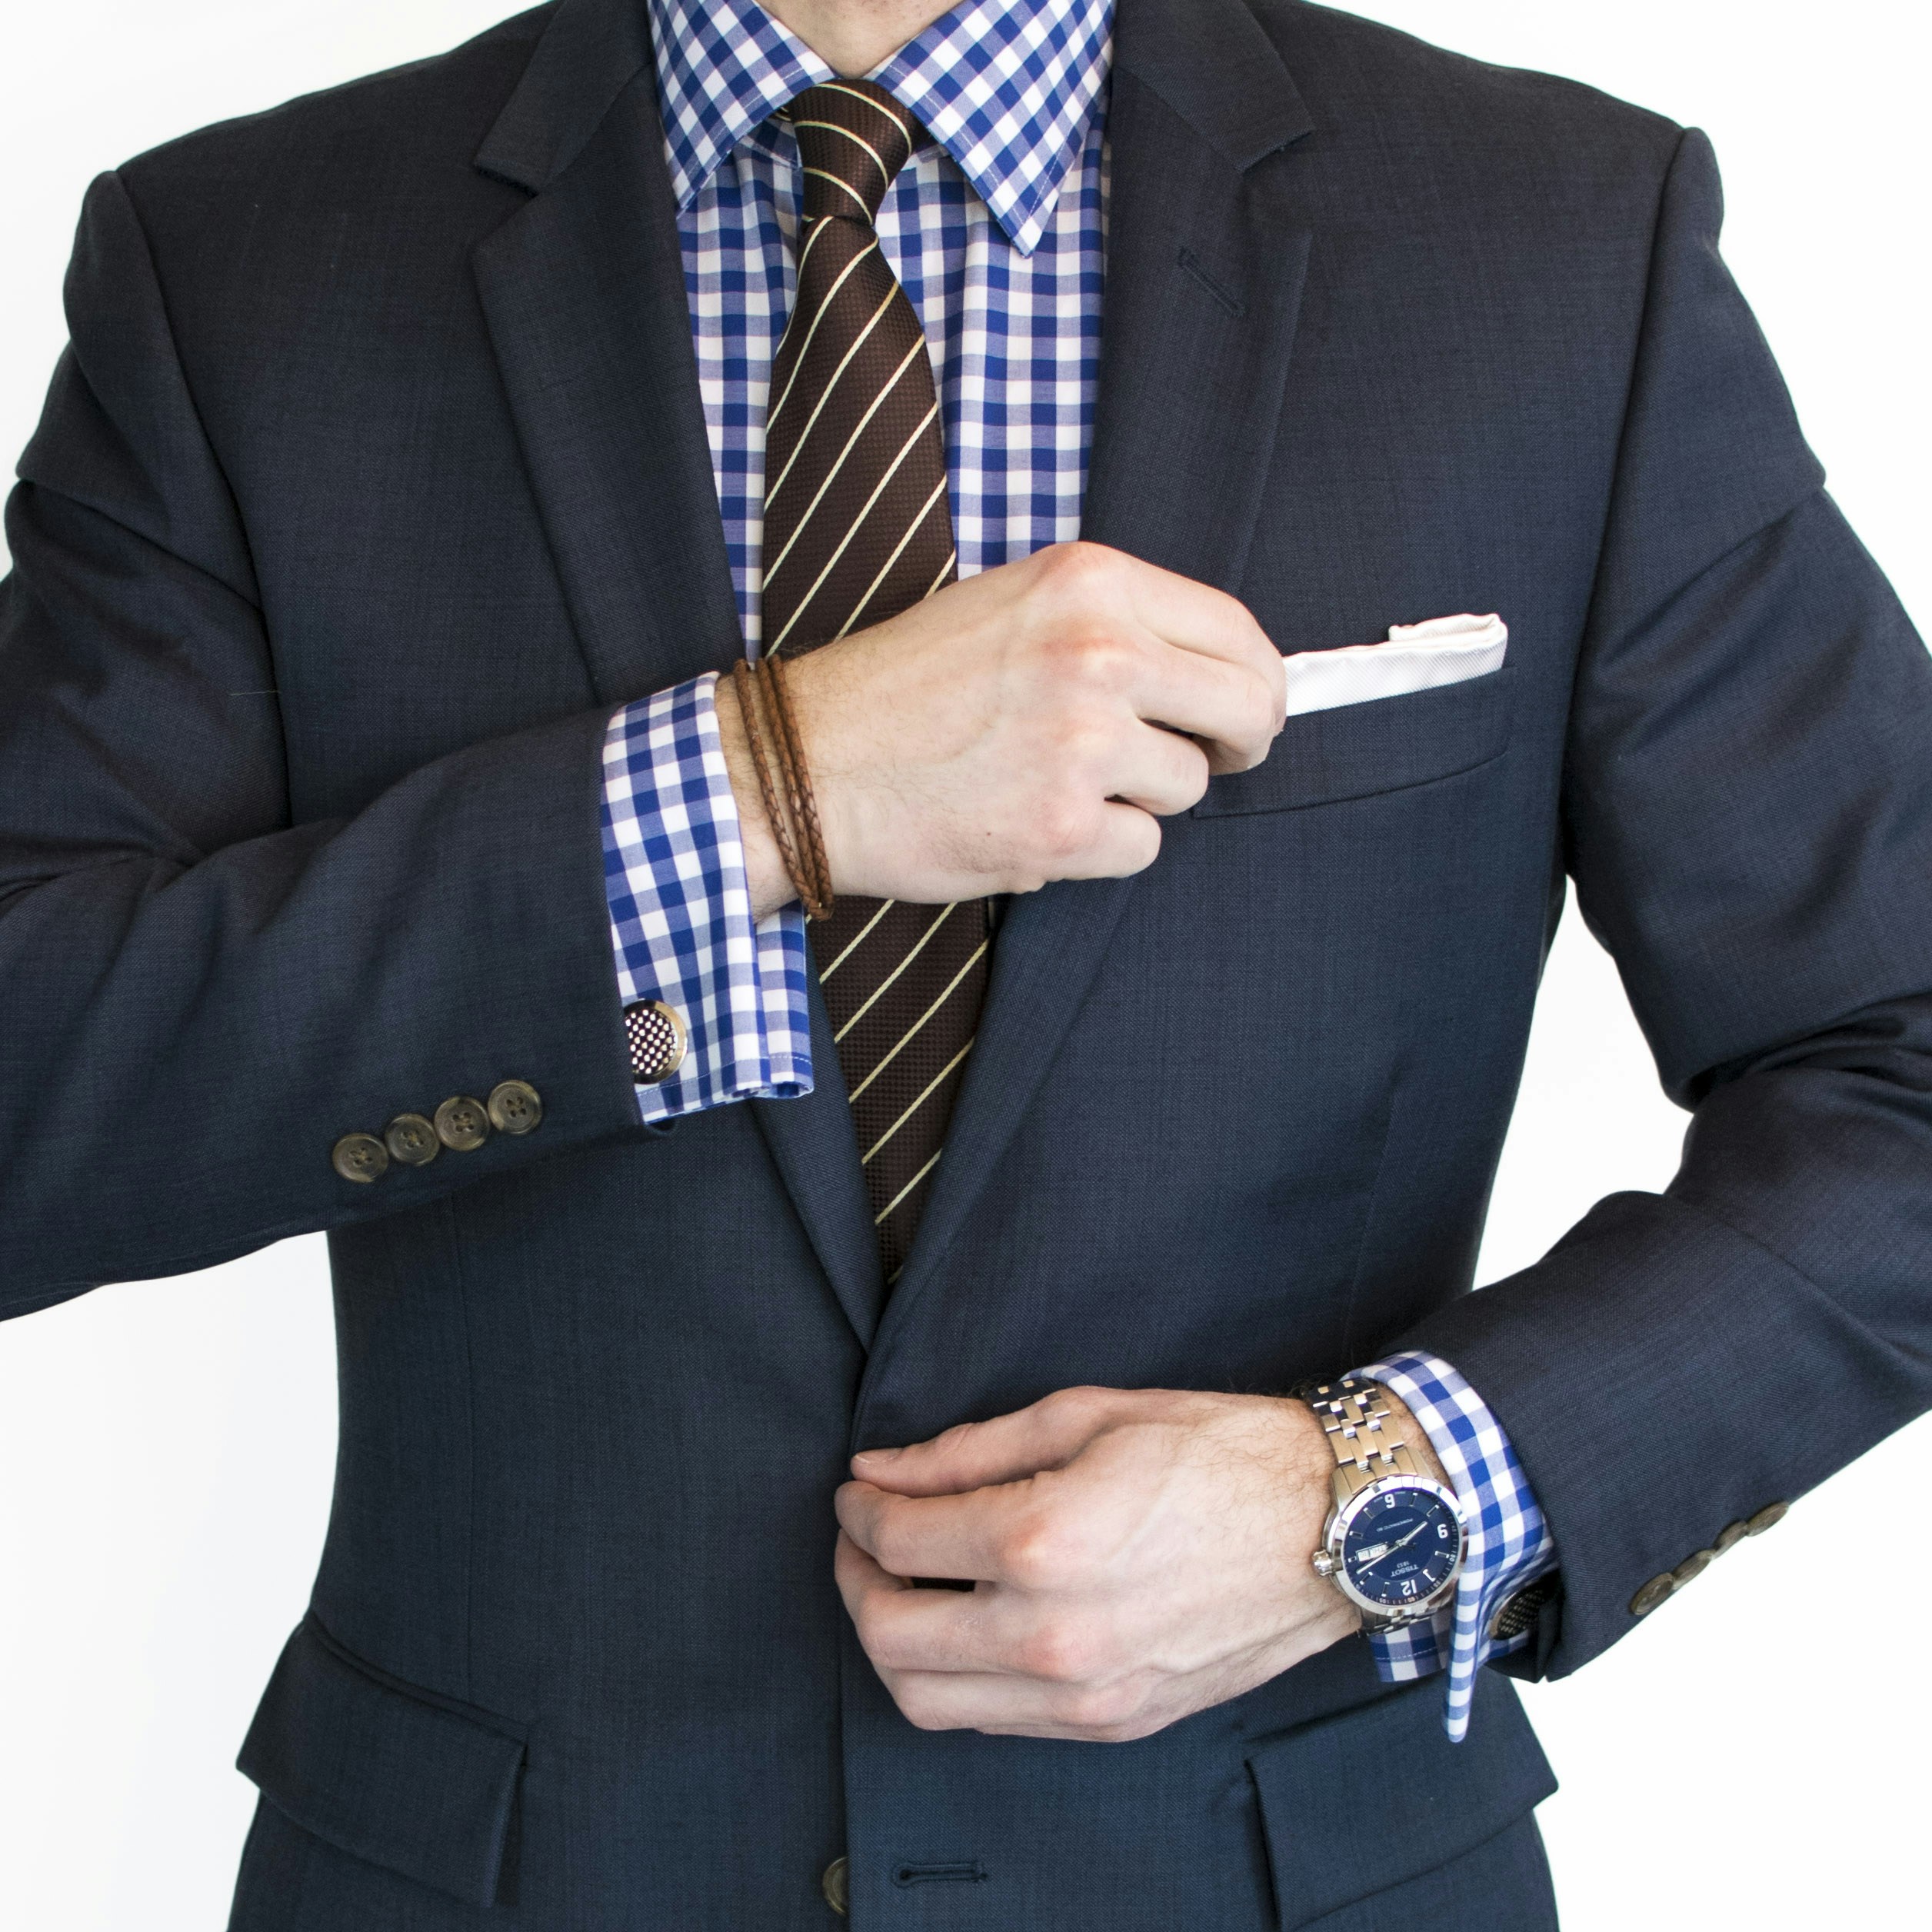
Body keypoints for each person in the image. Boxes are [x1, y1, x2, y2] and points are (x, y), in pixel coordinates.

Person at [2, 0, 1927, 1923]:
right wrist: (762, 785)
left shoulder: (1550, 238)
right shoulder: (242, 263)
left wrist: (1371, 1499)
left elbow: (1900, 1069)